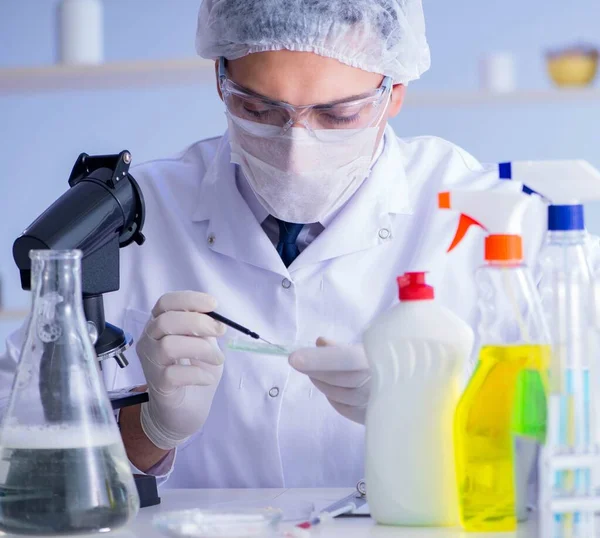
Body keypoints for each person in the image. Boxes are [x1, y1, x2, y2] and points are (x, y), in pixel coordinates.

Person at [2, 0, 547, 489]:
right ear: (220, 80)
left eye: (338, 115)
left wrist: (425, 411)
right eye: (260, 111)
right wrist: (151, 429)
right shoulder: (136, 214)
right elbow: (19, 448)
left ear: (393, 96)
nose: (295, 151)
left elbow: (565, 449)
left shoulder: (491, 218)